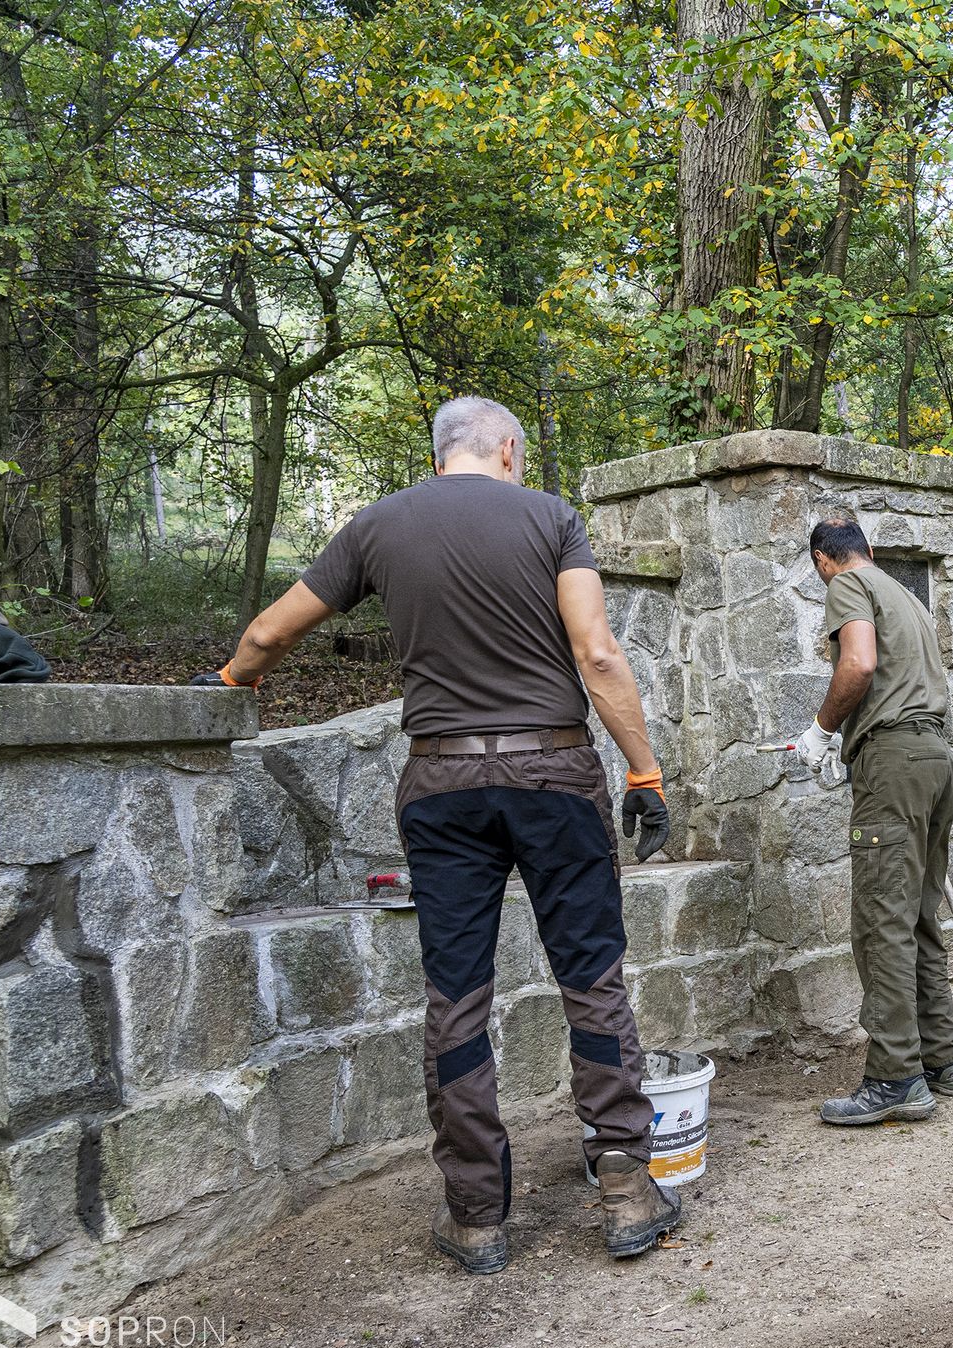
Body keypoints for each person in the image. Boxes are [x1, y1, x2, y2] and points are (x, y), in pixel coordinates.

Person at [194, 395, 682, 1272]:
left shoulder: (378, 526)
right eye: (518, 457)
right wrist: (643, 772)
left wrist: (230, 679)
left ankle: (475, 1214)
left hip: (441, 782)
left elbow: (270, 631)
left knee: (455, 992)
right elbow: (598, 654)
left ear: (439, 453)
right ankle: (622, 1185)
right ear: (506, 449)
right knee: (591, 977)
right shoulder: (551, 518)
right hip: (553, 775)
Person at [791, 518, 953, 1125]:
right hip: (935, 761)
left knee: (881, 923)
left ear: (824, 560)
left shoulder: (847, 585)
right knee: (918, 914)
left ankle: (896, 1078)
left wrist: (820, 732)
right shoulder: (908, 598)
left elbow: (860, 663)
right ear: (870, 549)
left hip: (892, 763)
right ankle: (944, 1061)